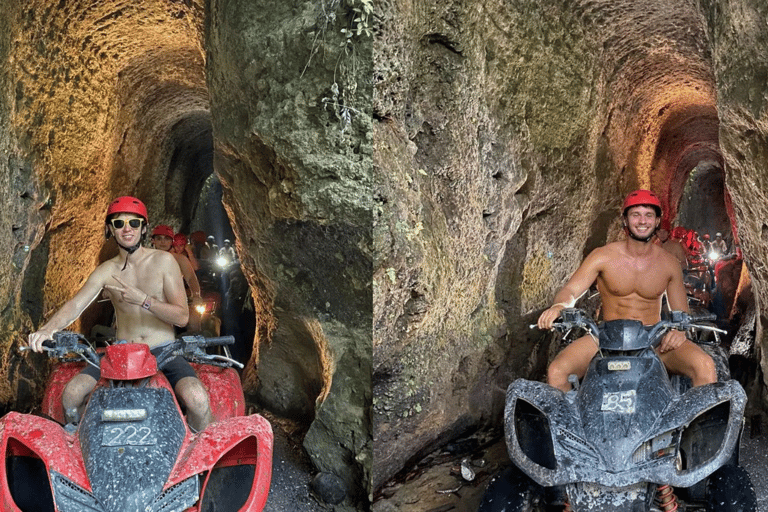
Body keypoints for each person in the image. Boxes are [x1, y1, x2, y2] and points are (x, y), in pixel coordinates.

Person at [27, 197, 213, 431]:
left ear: (143, 228)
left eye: (134, 223)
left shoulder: (164, 261)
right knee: (72, 394)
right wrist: (47, 329)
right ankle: (83, 448)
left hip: (163, 350)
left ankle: (199, 459)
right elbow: (75, 305)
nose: (127, 229)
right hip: (121, 353)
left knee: (197, 398)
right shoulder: (107, 270)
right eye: (119, 223)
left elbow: (181, 317)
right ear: (110, 229)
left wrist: (143, 301)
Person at [537, 190, 716, 392]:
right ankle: (570, 423)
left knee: (705, 366)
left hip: (653, 337)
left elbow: (681, 311)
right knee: (557, 371)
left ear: (657, 221)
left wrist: (679, 330)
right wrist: (559, 306)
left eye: (649, 215)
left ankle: (695, 423)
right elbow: (571, 289)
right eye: (635, 214)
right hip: (605, 337)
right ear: (625, 219)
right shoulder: (602, 256)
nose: (642, 221)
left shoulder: (669, 264)